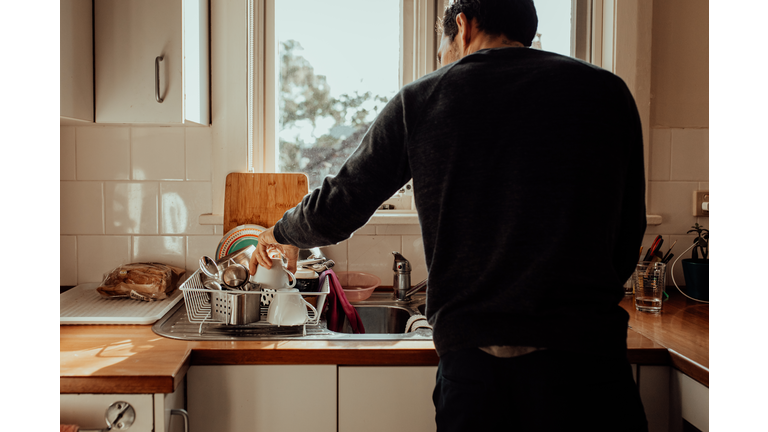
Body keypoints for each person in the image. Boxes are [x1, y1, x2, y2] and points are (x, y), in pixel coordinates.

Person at [250, 0, 648, 430]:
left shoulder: (424, 99)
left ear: (463, 25)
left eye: (443, 49)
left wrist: (280, 232)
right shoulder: (606, 93)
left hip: (478, 370)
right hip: (588, 361)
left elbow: (341, 204)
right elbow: (628, 232)